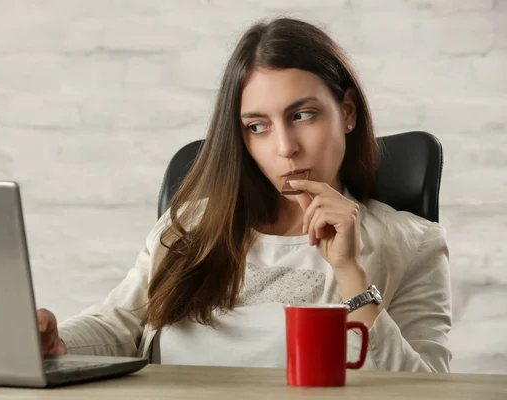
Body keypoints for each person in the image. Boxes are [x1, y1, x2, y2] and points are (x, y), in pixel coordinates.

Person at [37, 17, 452, 373]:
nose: (285, 146)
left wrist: (350, 273)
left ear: (347, 112)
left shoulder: (413, 244)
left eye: (302, 115)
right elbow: (119, 325)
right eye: (258, 126)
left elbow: (427, 389)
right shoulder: (191, 226)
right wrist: (58, 344)